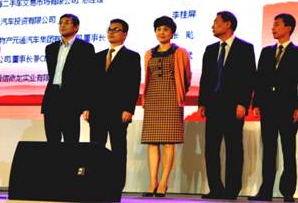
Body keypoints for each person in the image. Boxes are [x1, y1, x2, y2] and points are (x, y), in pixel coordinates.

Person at [250, 13, 298, 202]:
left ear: (288, 28)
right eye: (273, 25)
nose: (273, 28)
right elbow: (259, 80)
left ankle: (288, 191)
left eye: (277, 25)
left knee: (288, 150)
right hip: (268, 107)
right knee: (269, 150)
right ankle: (265, 191)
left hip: (288, 108)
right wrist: (256, 103)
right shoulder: (266, 52)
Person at [198, 11, 256, 199]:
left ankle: (232, 189)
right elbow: (205, 78)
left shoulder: (245, 48)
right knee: (211, 149)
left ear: (228, 24)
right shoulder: (210, 49)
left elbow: (249, 78)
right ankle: (215, 188)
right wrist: (202, 102)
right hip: (213, 106)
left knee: (233, 148)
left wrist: (243, 103)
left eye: (216, 22)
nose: (213, 25)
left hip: (233, 106)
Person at [83, 18, 141, 191]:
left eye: (116, 29)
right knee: (95, 149)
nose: (111, 32)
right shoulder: (98, 56)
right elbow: (90, 85)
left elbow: (133, 84)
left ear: (125, 34)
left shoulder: (132, 57)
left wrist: (129, 109)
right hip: (97, 111)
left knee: (118, 149)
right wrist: (87, 106)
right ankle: (95, 184)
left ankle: (116, 185)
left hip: (118, 111)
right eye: (109, 29)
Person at [141, 16, 192, 197]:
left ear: (172, 32)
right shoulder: (149, 53)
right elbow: (147, 77)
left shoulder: (180, 52)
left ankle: (163, 182)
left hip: (171, 98)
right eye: (158, 29)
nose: (161, 32)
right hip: (153, 97)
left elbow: (187, 77)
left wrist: (178, 92)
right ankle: (152, 182)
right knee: (152, 142)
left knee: (169, 142)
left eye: (165, 29)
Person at [41, 13, 95, 143]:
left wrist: (87, 105)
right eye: (60, 23)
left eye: (67, 22)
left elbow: (89, 78)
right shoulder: (50, 48)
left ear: (76, 27)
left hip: (71, 100)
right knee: (52, 141)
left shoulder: (85, 48)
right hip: (52, 98)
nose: (62, 25)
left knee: (71, 142)